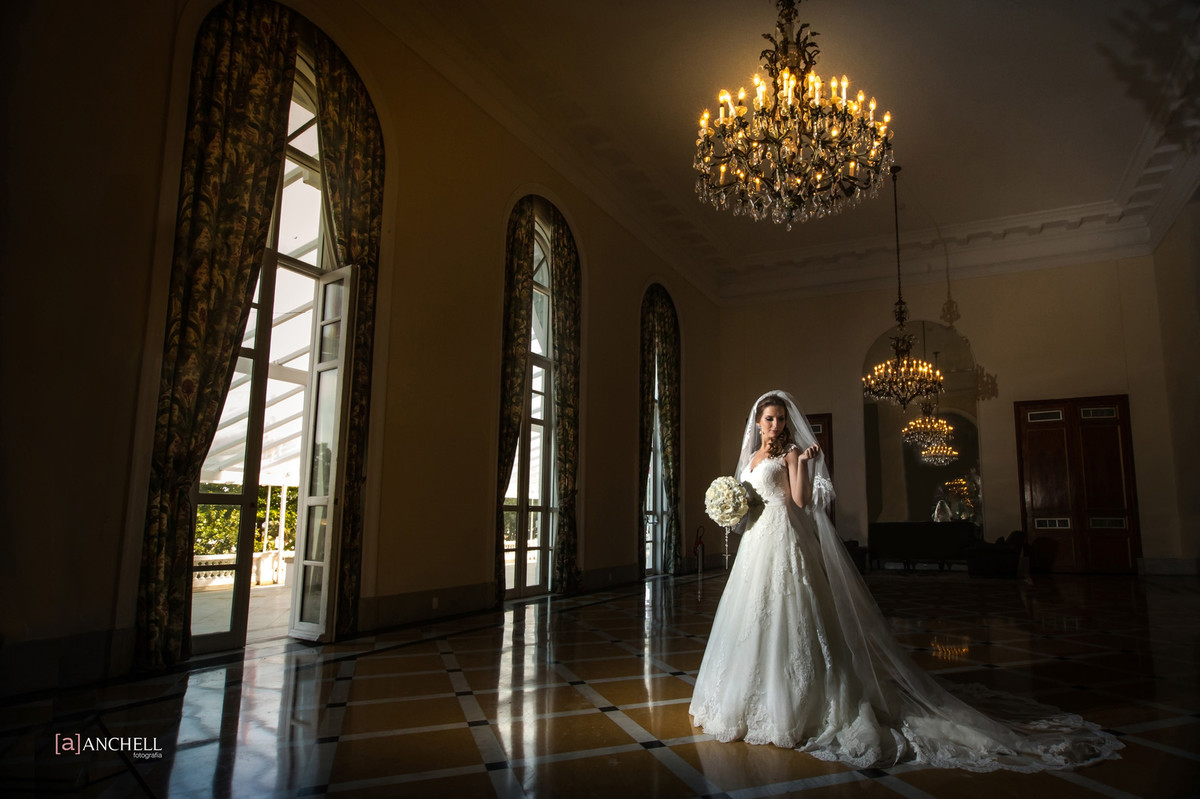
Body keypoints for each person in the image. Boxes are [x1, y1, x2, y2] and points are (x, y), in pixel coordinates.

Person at [688, 390, 1122, 771]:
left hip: (784, 540)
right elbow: (748, 504)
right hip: (754, 545)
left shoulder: (789, 455)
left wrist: (805, 461)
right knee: (750, 619)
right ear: (757, 422)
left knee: (793, 614)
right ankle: (744, 699)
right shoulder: (751, 459)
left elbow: (800, 503)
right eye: (769, 419)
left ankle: (797, 706)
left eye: (781, 419)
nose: (775, 425)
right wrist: (731, 507)